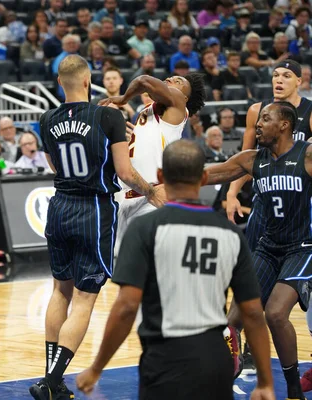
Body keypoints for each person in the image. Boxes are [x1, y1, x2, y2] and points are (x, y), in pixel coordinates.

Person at [75, 140, 274, 400]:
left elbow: (125, 307)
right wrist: (265, 382)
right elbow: (253, 312)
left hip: (164, 359)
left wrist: (96, 367)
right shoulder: (229, 233)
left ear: (160, 176)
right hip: (215, 360)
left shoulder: (144, 229)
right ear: (203, 177)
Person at [28, 54, 164, 400]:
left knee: (60, 290)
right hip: (93, 209)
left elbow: (54, 165)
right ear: (89, 82)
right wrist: (150, 190)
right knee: (86, 297)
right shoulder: (108, 115)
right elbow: (124, 172)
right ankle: (51, 380)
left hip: (59, 205)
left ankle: (52, 380)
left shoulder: (45, 119)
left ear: (60, 83)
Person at [205, 101, 312, 400]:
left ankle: (293, 390)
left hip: (303, 247)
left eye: (266, 119)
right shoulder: (251, 159)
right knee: (233, 319)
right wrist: (165, 181)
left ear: (285, 125)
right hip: (268, 247)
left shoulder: (307, 155)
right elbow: (210, 175)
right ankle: (233, 357)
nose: (258, 124)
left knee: (276, 313)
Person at [224, 60, 312, 372]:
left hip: (302, 206)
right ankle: (242, 346)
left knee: (285, 294)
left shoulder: (309, 112)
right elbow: (244, 158)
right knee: (252, 276)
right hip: (267, 202)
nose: (279, 80)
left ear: (299, 81)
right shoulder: (257, 111)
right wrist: (233, 192)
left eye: (286, 75)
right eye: (275, 75)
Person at [100, 73, 206, 255]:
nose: (171, 79)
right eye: (172, 77)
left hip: (151, 196)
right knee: (122, 270)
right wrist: (136, 138)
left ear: (185, 97)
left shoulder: (178, 103)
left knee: (151, 267)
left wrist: (123, 98)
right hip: (126, 196)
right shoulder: (152, 112)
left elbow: (143, 81)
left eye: (178, 81)